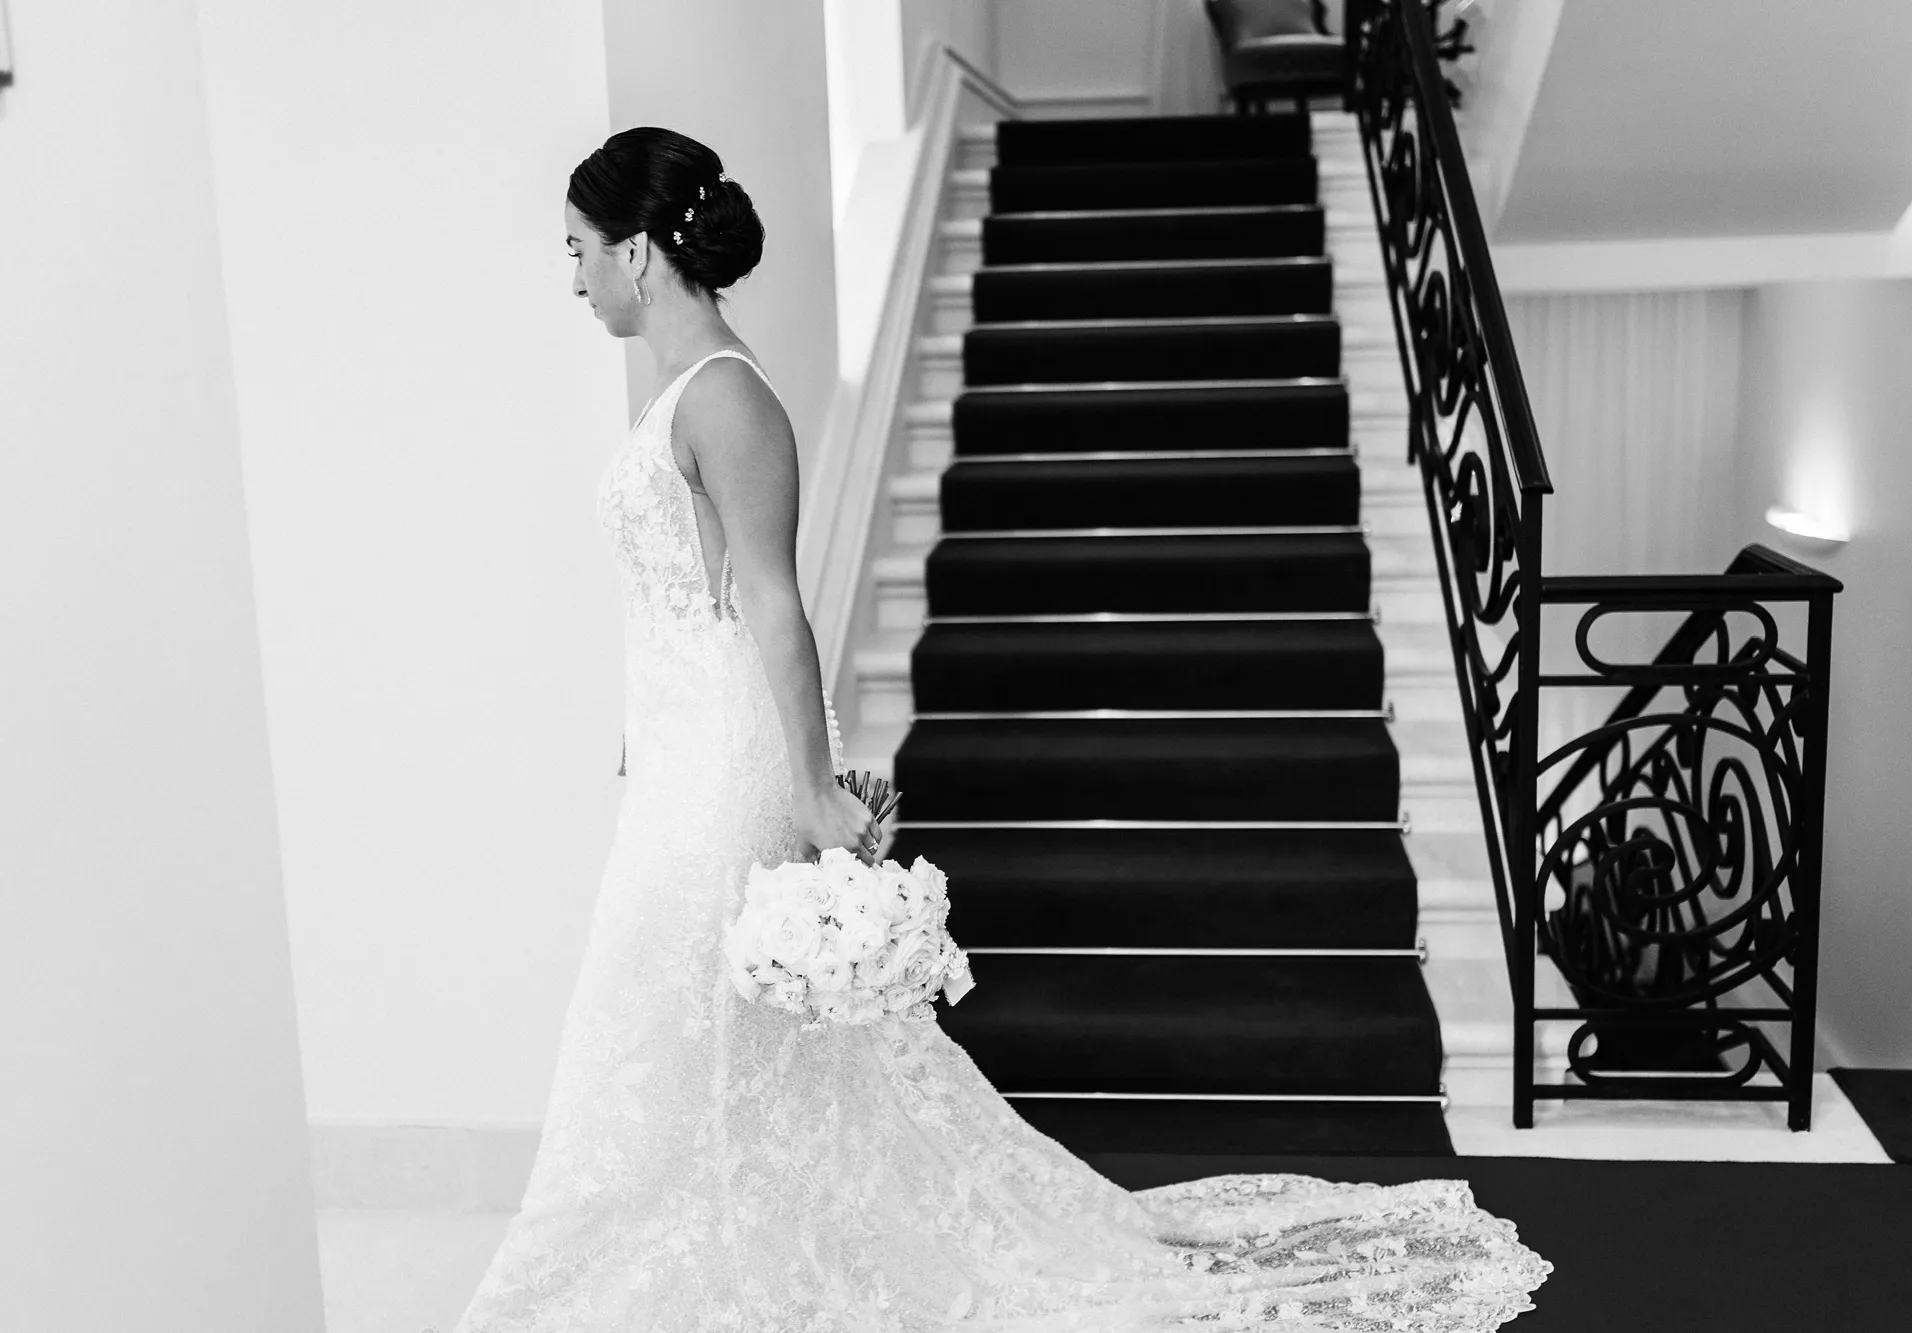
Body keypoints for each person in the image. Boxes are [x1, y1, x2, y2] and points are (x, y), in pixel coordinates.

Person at [444, 126, 1551, 1331]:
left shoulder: (726, 396)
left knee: (647, 1041)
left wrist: (811, 788)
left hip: (721, 773)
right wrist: (643, 731)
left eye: (578, 248)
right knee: (699, 1045)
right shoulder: (680, 394)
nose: (572, 279)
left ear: (639, 253)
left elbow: (771, 603)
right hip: (676, 763)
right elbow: (681, 604)